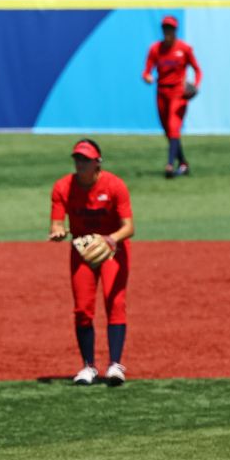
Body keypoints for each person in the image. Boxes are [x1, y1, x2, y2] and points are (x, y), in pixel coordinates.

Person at [48, 139, 135, 386]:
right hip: (82, 251)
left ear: (97, 162)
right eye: (77, 159)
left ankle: (115, 365)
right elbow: (56, 223)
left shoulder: (115, 185)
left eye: (85, 159)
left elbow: (129, 227)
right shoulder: (63, 187)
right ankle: (88, 367)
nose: (80, 164)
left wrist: (110, 240)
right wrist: (58, 232)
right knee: (83, 309)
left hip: (113, 250)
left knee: (114, 301)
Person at [143, 15, 202, 178]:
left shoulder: (184, 49)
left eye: (170, 28)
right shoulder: (155, 49)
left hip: (179, 93)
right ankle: (183, 163)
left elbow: (198, 70)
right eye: (165, 28)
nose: (167, 31)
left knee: (173, 126)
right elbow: (146, 70)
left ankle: (170, 165)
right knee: (168, 131)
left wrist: (195, 85)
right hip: (162, 93)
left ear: (175, 30)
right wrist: (147, 77)